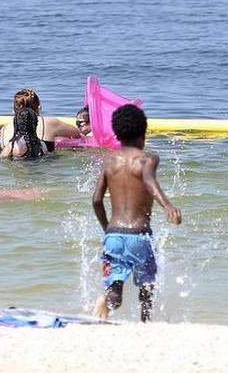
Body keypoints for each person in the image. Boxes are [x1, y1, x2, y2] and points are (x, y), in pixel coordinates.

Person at [91, 104, 181, 322]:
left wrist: (107, 229)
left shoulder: (108, 161)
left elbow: (96, 200)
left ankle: (105, 301)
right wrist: (167, 205)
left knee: (115, 293)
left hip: (113, 235)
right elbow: (149, 181)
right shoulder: (147, 159)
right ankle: (145, 323)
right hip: (139, 235)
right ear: (143, 133)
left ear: (117, 134)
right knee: (146, 290)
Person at [0, 88, 82, 152]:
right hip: (43, 169)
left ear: (13, 111)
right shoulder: (49, 123)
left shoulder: (4, 129)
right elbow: (76, 132)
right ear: (39, 108)